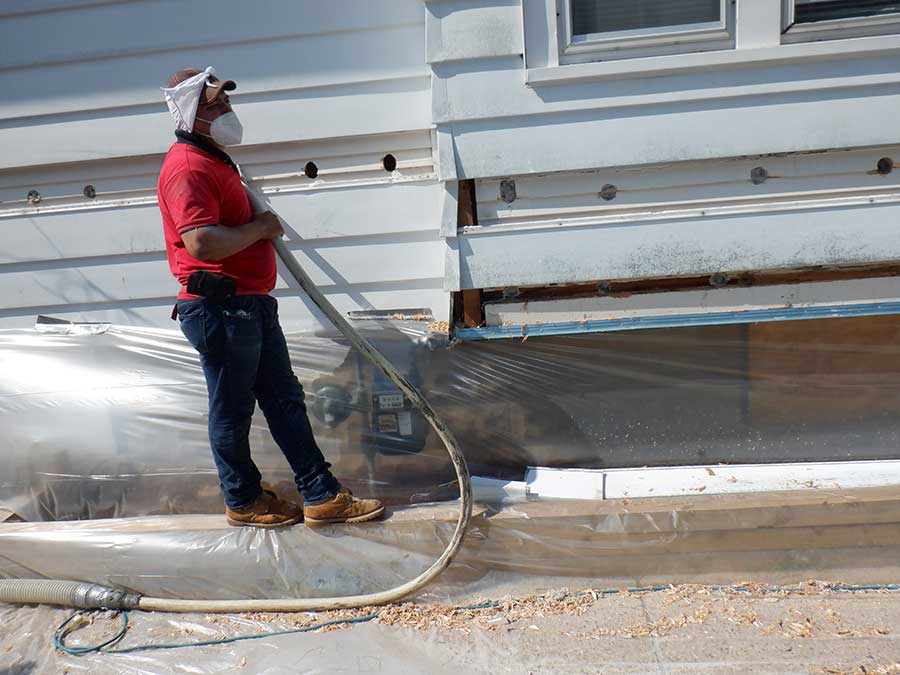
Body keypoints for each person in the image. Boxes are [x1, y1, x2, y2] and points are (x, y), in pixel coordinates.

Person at [157, 67, 384, 528]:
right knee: (233, 409)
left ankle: (321, 495)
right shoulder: (188, 166)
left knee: (284, 401)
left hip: (248, 305)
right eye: (214, 103)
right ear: (188, 113)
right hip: (221, 309)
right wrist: (260, 228)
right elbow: (201, 243)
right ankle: (242, 500)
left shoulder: (215, 160)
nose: (226, 108)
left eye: (225, 101)